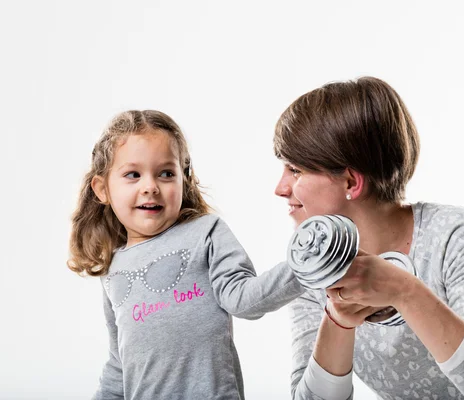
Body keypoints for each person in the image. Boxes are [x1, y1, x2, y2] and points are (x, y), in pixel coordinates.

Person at [273, 77, 464, 400]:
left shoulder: (452, 236)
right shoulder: (311, 271)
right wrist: (338, 320)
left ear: (350, 182)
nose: (280, 188)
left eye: (295, 170)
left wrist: (404, 291)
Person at [68, 110, 304, 400]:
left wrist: (306, 268)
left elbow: (244, 300)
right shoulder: (112, 267)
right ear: (102, 189)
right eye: (133, 175)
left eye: (166, 173)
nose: (150, 187)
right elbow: (119, 365)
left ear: (184, 180)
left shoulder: (205, 232)